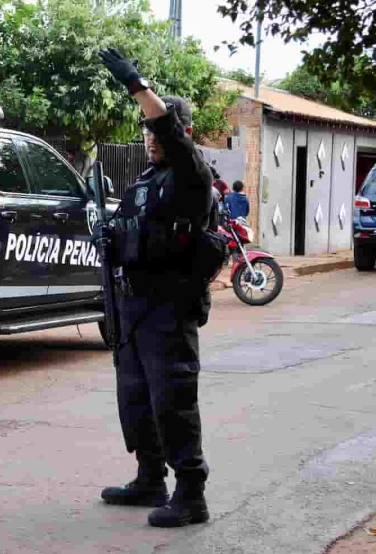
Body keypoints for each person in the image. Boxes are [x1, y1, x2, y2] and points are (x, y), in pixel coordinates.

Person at [98, 48, 215, 528]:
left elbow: (168, 127)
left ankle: (191, 494)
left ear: (179, 132)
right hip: (134, 306)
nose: (150, 138)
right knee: (137, 398)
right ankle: (150, 478)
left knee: (173, 401)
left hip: (170, 306)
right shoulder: (145, 181)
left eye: (156, 129)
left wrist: (134, 82)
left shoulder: (191, 177)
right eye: (145, 131)